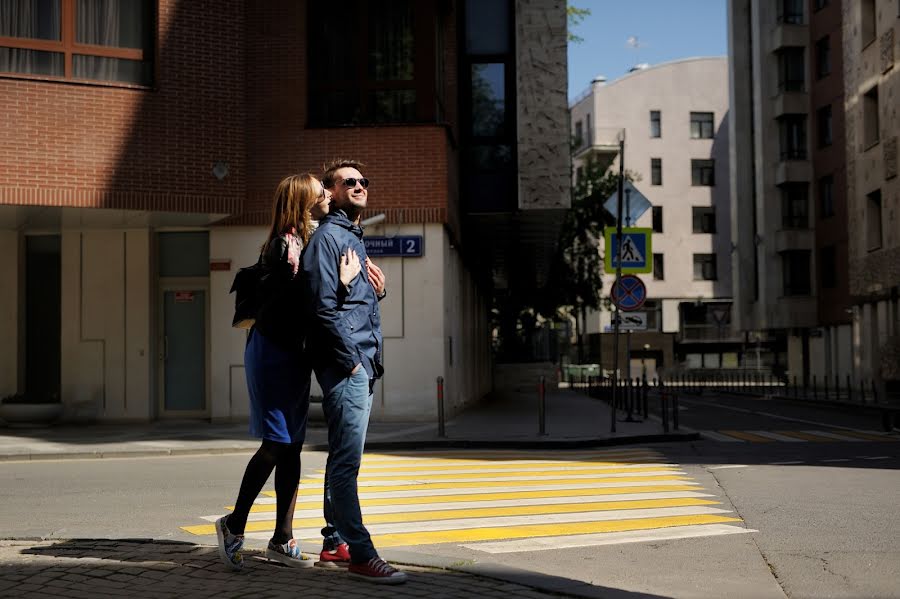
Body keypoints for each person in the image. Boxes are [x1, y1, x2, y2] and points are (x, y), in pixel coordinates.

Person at [215, 174, 361, 571]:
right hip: (273, 354)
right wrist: (342, 285)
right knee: (277, 442)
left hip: (293, 355)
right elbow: (299, 304)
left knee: (292, 445)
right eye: (320, 192)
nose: (327, 196)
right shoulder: (283, 246)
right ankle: (233, 524)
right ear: (304, 201)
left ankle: (282, 537)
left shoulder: (303, 242)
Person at [302, 159, 406, 584]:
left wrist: (376, 293)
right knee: (347, 464)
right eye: (349, 181)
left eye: (364, 180)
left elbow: (350, 308)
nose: (360, 185)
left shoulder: (351, 238)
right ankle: (362, 554)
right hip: (348, 365)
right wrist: (353, 362)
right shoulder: (329, 239)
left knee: (341, 458)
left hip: (359, 361)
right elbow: (322, 311)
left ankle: (333, 541)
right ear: (330, 191)